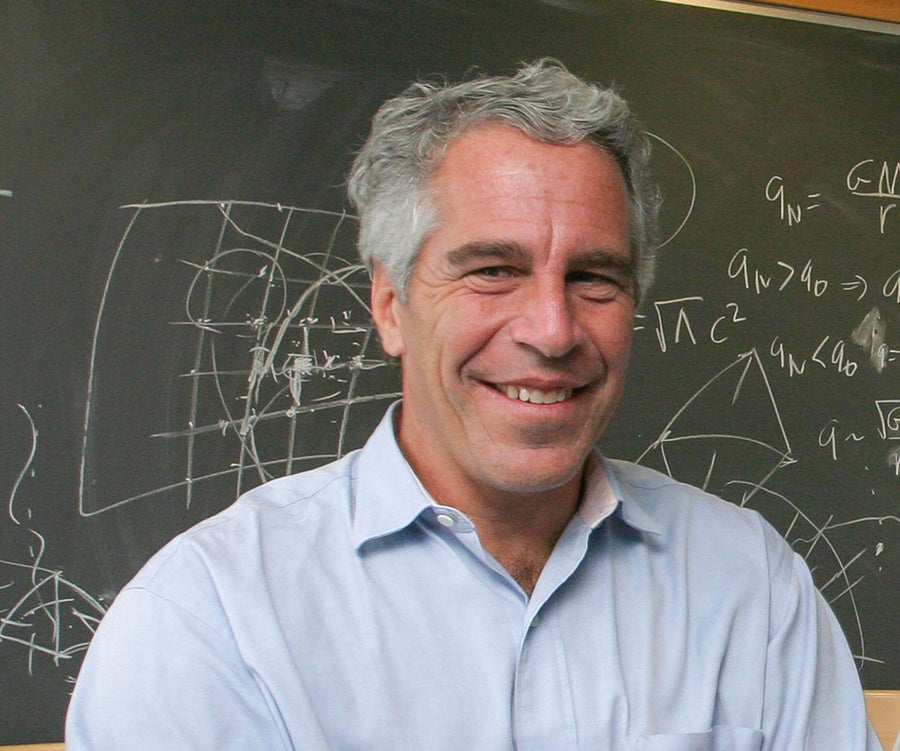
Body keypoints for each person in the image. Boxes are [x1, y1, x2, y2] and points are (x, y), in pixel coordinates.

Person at [66, 59, 878, 750]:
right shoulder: (211, 622)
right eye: (493, 269)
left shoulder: (751, 588)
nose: (552, 331)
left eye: (594, 276)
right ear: (390, 304)